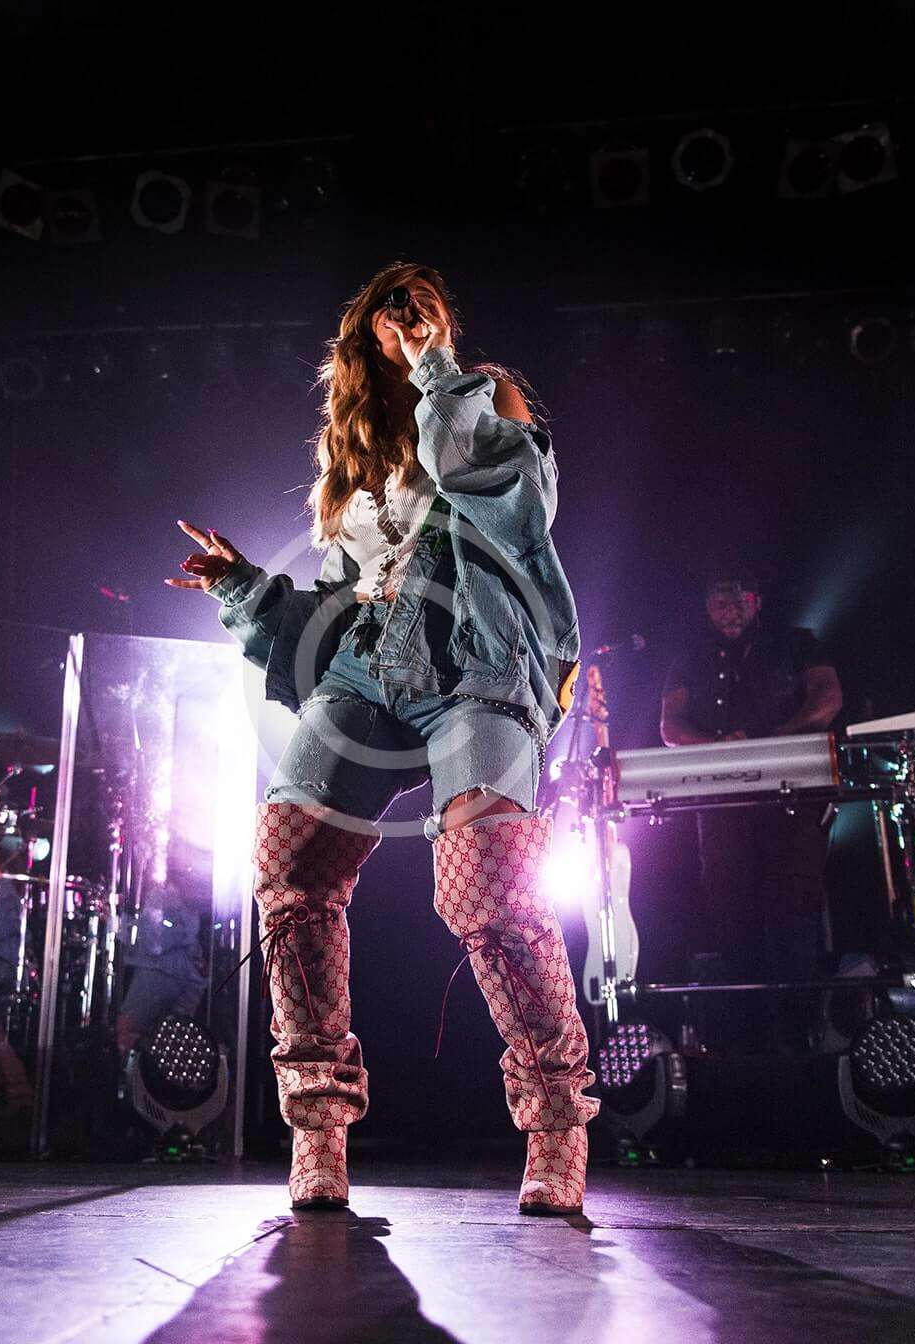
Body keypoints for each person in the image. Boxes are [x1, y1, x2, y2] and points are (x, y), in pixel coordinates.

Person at [166, 262, 598, 1214]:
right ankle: (317, 1129)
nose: (403, 326)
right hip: (367, 662)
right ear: (360, 343)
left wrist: (436, 367)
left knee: (489, 887)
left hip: (477, 659)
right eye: (388, 318)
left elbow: (511, 501)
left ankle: (556, 1125)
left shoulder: (484, 398)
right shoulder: (358, 456)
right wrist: (245, 589)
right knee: (290, 861)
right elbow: (337, 601)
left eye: (419, 312)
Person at [659, 564, 842, 997]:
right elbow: (670, 726)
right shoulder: (690, 658)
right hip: (722, 801)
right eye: (721, 603)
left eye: (740, 602)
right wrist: (720, 747)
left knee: (793, 905)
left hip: (793, 795)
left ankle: (801, 1014)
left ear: (757, 603)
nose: (731, 611)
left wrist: (771, 738)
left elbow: (829, 698)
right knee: (729, 909)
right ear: (708, 608)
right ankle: (744, 1019)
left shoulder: (797, 643)